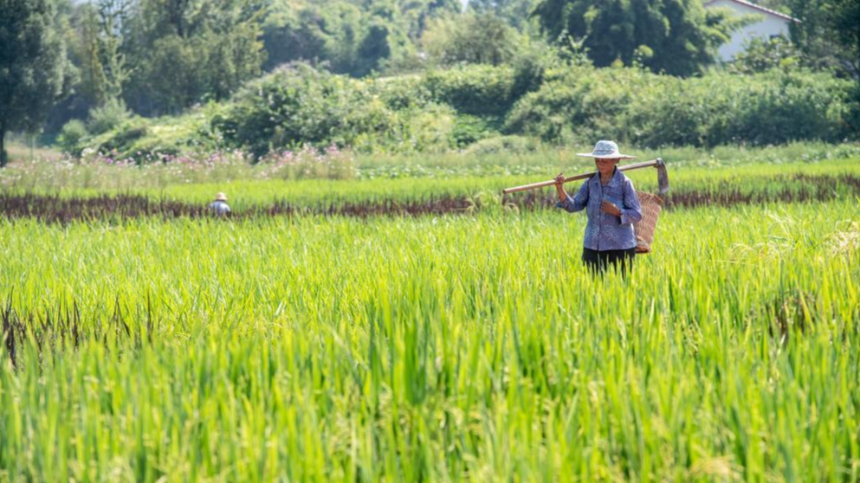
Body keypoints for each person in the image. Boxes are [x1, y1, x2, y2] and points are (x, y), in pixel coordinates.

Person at [554, 140, 642, 275]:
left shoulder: (624, 183)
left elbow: (636, 214)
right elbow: (573, 206)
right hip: (593, 245)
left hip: (620, 246)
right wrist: (560, 188)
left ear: (616, 160)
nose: (600, 164)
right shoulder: (590, 183)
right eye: (597, 160)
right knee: (595, 289)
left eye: (605, 161)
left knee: (622, 290)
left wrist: (618, 212)